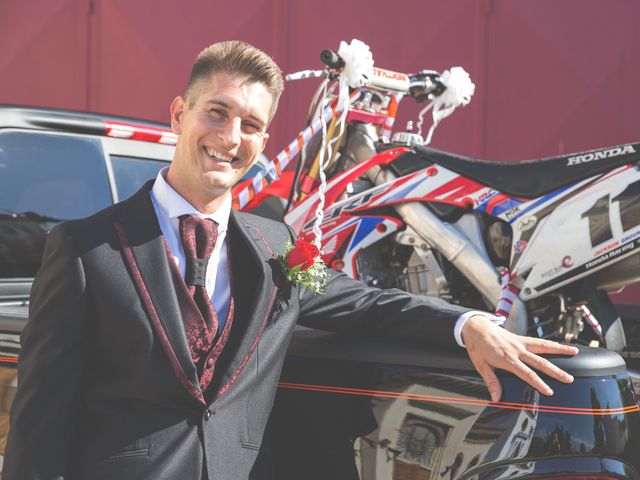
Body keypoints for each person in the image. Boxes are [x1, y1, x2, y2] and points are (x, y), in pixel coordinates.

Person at [3, 40, 577, 480]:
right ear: (179, 114)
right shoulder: (84, 248)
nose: (231, 136)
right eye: (216, 112)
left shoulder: (276, 246)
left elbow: (366, 304)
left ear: (264, 137)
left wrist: (469, 322)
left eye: (251, 125)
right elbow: (39, 418)